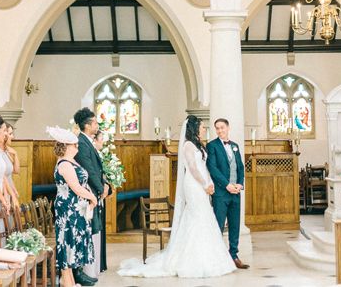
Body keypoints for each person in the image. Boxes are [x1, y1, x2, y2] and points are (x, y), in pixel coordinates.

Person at [118, 115, 236, 279]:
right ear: (194, 128)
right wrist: (204, 184)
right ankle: (191, 260)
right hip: (194, 185)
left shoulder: (198, 145)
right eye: (202, 127)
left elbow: (203, 167)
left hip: (202, 184)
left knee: (203, 217)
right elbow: (193, 169)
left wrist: (210, 183)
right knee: (197, 215)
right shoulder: (188, 145)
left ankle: (207, 256)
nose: (204, 130)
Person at [47, 125, 97, 287]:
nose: (77, 147)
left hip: (76, 209)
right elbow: (75, 187)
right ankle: (66, 280)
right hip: (68, 210)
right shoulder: (65, 164)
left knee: (73, 243)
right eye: (74, 144)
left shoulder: (71, 161)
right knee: (67, 242)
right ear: (66, 146)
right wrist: (92, 198)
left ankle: (68, 281)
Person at [206, 117, 249, 269]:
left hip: (236, 192)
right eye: (217, 128)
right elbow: (212, 168)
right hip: (221, 194)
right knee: (218, 225)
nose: (219, 130)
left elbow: (240, 168)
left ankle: (234, 256)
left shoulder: (235, 146)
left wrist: (239, 184)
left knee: (235, 225)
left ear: (228, 128)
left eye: (222, 127)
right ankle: (216, 257)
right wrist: (226, 185)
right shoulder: (212, 146)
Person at [73, 108, 106, 284]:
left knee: (95, 228)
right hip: (88, 194)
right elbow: (89, 169)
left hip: (93, 192)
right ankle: (87, 271)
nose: (97, 125)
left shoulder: (86, 141)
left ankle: (92, 270)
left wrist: (105, 185)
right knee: (90, 230)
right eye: (94, 122)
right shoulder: (82, 143)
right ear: (87, 125)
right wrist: (101, 189)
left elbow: (97, 169)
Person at [93, 130, 110, 274]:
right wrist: (102, 188)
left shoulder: (97, 154)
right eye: (101, 139)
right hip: (95, 194)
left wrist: (106, 185)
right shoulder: (92, 154)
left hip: (99, 191)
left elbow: (100, 174)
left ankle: (100, 263)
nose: (103, 142)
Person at [0, 123, 20, 212]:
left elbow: (16, 171)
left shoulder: (7, 151)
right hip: (3, 191)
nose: (13, 137)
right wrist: (9, 193)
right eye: (10, 133)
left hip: (10, 190)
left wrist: (15, 154)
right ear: (4, 135)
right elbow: (2, 176)